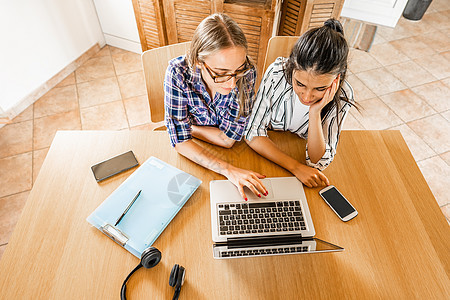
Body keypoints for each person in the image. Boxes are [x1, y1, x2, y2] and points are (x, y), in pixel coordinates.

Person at [164, 13, 267, 200]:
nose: (232, 84)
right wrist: (228, 170)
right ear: (198, 62)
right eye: (221, 73)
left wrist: (189, 129)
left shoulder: (248, 72)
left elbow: (228, 141)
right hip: (197, 162)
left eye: (238, 70)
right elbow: (180, 144)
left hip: (228, 150)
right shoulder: (177, 73)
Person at [245, 19, 355, 188]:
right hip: (270, 153)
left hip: (287, 150)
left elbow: (319, 163)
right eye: (300, 84)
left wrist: (315, 113)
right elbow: (252, 132)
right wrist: (295, 167)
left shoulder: (343, 94)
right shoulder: (277, 73)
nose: (307, 96)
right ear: (291, 67)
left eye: (319, 88)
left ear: (336, 79)